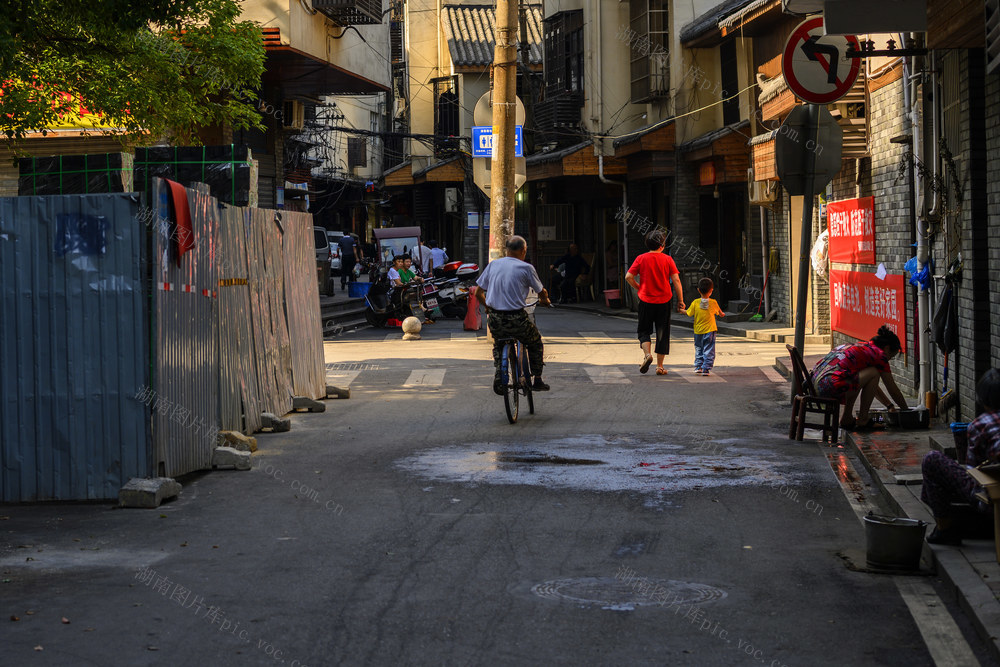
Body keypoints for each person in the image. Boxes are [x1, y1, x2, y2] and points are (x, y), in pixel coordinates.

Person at [920, 369, 1000, 544]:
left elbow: (974, 473)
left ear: (983, 400)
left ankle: (945, 529)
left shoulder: (980, 424)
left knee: (932, 462)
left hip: (992, 500)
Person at [476, 235, 552, 394]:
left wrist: (488, 307)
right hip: (517, 318)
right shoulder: (526, 268)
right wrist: (544, 300)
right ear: (524, 251)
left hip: (495, 319)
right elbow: (541, 291)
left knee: (499, 344)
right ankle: (537, 379)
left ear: (506, 250)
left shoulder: (493, 265)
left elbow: (478, 293)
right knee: (535, 341)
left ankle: (499, 376)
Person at [811, 325, 909, 429]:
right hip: (828, 388)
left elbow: (871, 385)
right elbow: (892, 388)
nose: (889, 359)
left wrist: (889, 405)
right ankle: (863, 419)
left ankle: (847, 418)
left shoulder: (861, 347)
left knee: (857, 378)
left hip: (815, 386)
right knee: (873, 373)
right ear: (887, 348)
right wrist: (906, 411)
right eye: (891, 356)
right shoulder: (879, 355)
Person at [625, 230, 685, 376]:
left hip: (646, 300)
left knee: (644, 330)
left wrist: (639, 287)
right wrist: (681, 300)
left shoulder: (641, 258)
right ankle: (660, 366)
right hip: (664, 301)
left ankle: (647, 355)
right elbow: (676, 280)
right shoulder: (668, 259)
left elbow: (628, 276)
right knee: (662, 333)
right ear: (662, 245)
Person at [686, 277, 725, 376]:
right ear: (711, 291)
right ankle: (706, 369)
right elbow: (720, 313)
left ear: (698, 290)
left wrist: (682, 310)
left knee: (699, 348)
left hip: (698, 331)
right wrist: (721, 314)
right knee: (709, 349)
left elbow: (688, 313)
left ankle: (698, 366)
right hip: (710, 330)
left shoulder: (695, 302)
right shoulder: (713, 302)